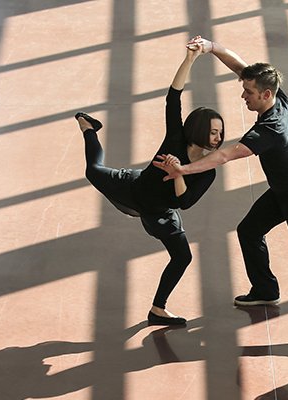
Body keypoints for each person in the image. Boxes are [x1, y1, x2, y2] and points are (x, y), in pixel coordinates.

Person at [153, 36, 288, 352]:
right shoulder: (277, 96)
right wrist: (212, 48)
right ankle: (266, 288)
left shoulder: (270, 129)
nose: (243, 96)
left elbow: (224, 156)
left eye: (248, 93)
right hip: (282, 192)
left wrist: (182, 170)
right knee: (249, 230)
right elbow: (241, 67)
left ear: (265, 94)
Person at [75, 43, 224, 326]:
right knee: (93, 170)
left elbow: (185, 203)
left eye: (220, 133)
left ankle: (158, 310)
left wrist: (178, 173)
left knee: (183, 257)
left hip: (160, 212)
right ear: (198, 128)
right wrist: (189, 59)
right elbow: (173, 97)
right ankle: (89, 128)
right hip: (133, 188)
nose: (217, 138)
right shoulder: (175, 139)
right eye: (213, 131)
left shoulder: (207, 169)